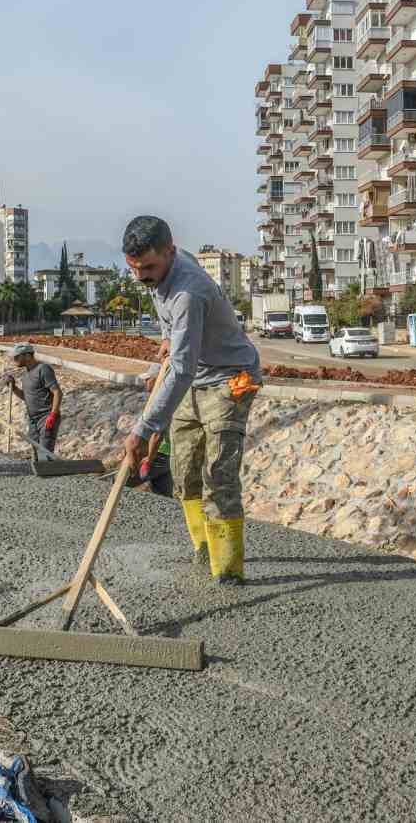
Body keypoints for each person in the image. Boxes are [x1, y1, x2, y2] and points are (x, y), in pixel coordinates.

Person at [121, 215, 261, 584]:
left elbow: (179, 370)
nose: (141, 277)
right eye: (134, 268)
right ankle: (203, 550)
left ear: (168, 252)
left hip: (230, 380)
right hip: (195, 377)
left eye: (148, 267)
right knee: (184, 472)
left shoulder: (188, 292)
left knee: (219, 475)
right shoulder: (165, 265)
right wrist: (168, 334)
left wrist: (144, 429)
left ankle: (228, 572)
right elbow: (178, 350)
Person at [7, 344, 62, 456]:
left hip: (46, 417)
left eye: (17, 357)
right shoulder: (25, 375)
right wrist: (13, 387)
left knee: (45, 453)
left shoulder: (43, 369)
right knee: (36, 455)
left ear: (27, 356)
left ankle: (49, 471)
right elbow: (26, 397)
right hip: (33, 420)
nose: (14, 360)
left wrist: (53, 414)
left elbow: (57, 392)